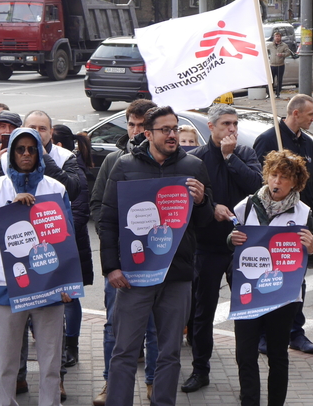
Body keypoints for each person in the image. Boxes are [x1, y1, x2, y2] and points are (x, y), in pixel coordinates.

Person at [99, 106, 213, 406]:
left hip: (176, 275)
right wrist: (111, 268)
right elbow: (108, 221)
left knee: (170, 352)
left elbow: (203, 224)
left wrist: (202, 202)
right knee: (124, 350)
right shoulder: (124, 166)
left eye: (175, 128)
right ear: (147, 134)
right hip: (135, 275)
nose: (173, 134)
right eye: (165, 130)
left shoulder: (194, 167)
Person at [0, 128, 73, 406]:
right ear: (11, 153)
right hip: (7, 287)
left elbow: (65, 240)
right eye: (21, 149)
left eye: (33, 149)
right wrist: (10, 210)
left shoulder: (56, 189)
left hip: (48, 287)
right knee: (7, 364)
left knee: (51, 364)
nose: (27, 154)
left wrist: (67, 284)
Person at [229, 150, 313, 406]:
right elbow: (233, 242)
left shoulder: (303, 213)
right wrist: (231, 239)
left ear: (295, 183)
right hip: (249, 293)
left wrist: (311, 248)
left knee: (278, 355)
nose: (277, 182)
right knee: (245, 354)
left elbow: (312, 262)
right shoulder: (246, 205)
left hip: (283, 296)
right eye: (273, 175)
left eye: (284, 177)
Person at [182, 105, 262, 393]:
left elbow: (256, 185)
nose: (232, 129)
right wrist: (210, 206)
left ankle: (246, 380)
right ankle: (200, 369)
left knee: (245, 312)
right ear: (211, 126)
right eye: (226, 123)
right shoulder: (196, 158)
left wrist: (230, 158)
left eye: (235, 124)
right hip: (209, 246)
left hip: (242, 245)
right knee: (203, 311)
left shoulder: (245, 153)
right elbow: (189, 202)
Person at [88, 99, 158, 406]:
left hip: (155, 260)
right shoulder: (113, 160)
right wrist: (113, 243)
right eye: (131, 125)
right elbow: (97, 206)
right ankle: (110, 383)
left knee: (154, 325)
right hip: (119, 260)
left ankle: (154, 382)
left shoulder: (166, 163)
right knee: (114, 325)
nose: (136, 131)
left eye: (143, 126)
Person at [252, 94, 313, 354]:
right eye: (310, 114)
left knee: (295, 280)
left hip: (298, 218)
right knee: (266, 278)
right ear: (295, 114)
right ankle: (262, 333)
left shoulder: (307, 142)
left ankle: (295, 332)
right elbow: (260, 181)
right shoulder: (269, 139)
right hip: (271, 223)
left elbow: (310, 182)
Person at [51, 125, 94, 370]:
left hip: (70, 246)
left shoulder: (73, 169)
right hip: (53, 245)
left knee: (70, 297)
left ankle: (71, 345)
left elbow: (79, 212)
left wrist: (56, 233)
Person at [22, 111, 81, 199]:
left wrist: (45, 158)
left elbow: (72, 191)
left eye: (42, 129)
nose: (37, 133)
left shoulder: (65, 156)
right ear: (22, 129)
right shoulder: (7, 157)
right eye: (32, 128)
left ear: (50, 133)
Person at [266, 31, 294, 95]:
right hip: (272, 65)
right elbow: (265, 52)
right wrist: (268, 57)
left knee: (279, 80)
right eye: (276, 36)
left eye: (278, 36)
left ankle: (278, 93)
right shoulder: (270, 45)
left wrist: (282, 54)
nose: (277, 38)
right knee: (271, 80)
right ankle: (269, 93)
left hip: (280, 65)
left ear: (280, 37)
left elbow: (288, 53)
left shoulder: (284, 45)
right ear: (274, 37)